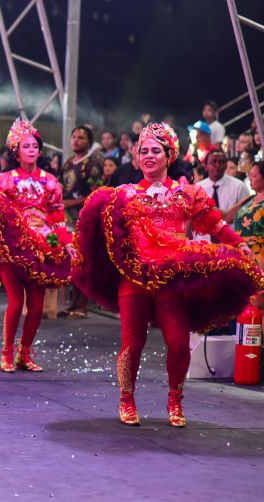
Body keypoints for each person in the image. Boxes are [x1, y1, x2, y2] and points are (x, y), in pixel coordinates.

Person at [74, 122, 263, 428]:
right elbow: (99, 230)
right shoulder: (124, 194)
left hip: (171, 280)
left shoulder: (185, 193)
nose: (148, 156)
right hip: (134, 280)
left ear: (168, 155)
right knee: (132, 343)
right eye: (143, 151)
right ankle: (127, 398)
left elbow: (215, 226)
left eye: (155, 151)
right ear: (137, 157)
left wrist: (238, 244)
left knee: (177, 342)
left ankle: (175, 399)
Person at [0, 118, 75, 372]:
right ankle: (7, 352)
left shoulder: (51, 181)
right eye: (26, 146)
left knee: (37, 305)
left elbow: (57, 215)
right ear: (15, 151)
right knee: (15, 302)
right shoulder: (4, 180)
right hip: (12, 247)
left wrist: (64, 242)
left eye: (35, 146)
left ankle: (25, 353)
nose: (31, 150)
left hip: (43, 246)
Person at [59, 126, 103, 319]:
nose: (76, 140)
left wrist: (72, 202)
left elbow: (97, 194)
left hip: (84, 218)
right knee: (71, 261)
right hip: (67, 217)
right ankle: (72, 303)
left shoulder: (92, 163)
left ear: (89, 142)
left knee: (83, 261)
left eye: (81, 137)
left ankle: (82, 306)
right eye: (74, 136)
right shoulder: (68, 163)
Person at [192, 150, 250, 242]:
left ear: (226, 165)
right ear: (206, 166)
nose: (217, 165)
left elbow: (246, 218)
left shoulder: (239, 186)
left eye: (221, 162)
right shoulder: (197, 188)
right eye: (213, 162)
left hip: (231, 244)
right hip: (203, 244)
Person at [232, 161, 264, 267]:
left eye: (254, 176)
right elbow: (228, 216)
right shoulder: (250, 199)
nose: (250, 178)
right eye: (249, 175)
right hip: (241, 255)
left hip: (260, 257)